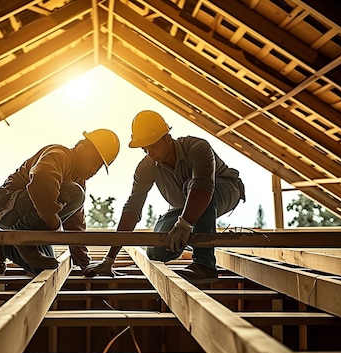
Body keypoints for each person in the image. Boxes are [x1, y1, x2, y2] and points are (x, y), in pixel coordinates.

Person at [83, 110, 245, 281]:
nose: (149, 153)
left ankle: (204, 264)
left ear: (167, 137)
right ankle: (191, 233)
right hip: (186, 209)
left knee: (193, 186)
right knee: (156, 251)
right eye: (145, 149)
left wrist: (183, 225)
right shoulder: (146, 167)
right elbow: (132, 208)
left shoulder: (197, 148)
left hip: (225, 189)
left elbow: (203, 187)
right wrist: (109, 259)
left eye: (152, 146)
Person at [0, 129, 120, 275]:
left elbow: (75, 223)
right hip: (6, 208)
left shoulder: (78, 180)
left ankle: (4, 245)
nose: (95, 169)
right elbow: (41, 177)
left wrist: (84, 264)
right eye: (94, 161)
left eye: (100, 166)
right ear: (82, 148)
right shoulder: (60, 154)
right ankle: (19, 235)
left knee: (47, 267)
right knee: (74, 193)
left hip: (17, 219)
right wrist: (53, 222)